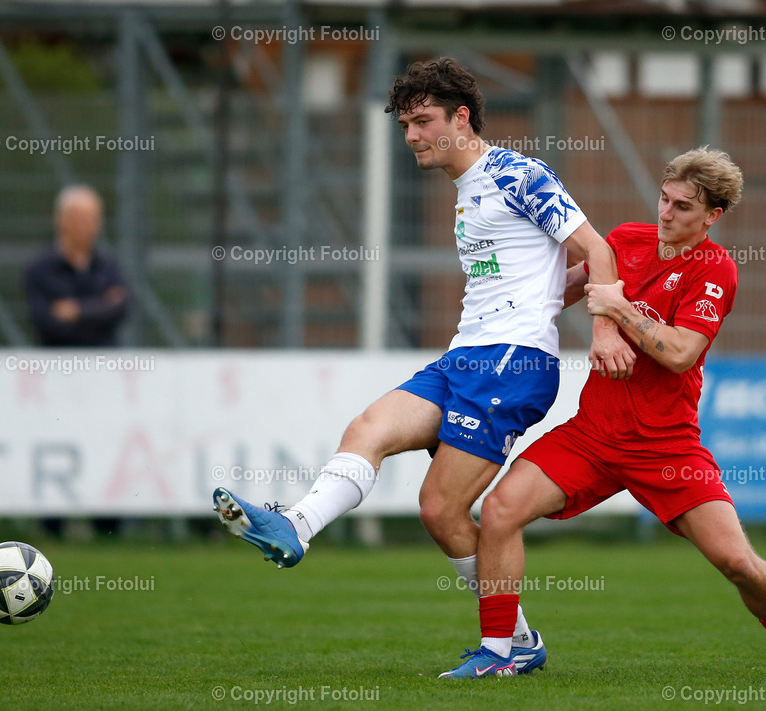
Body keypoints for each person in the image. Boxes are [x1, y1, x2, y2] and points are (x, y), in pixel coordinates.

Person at [213, 57, 635, 674]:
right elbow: (547, 278)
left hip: (513, 365)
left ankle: (509, 648)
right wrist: (550, 298)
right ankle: (296, 527)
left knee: (441, 508)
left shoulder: (516, 174)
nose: (411, 135)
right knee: (368, 430)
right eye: (405, 124)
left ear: (461, 118)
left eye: (422, 121)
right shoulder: (467, 190)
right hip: (464, 356)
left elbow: (597, 248)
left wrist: (603, 328)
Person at [441, 146, 766, 680]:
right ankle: (505, 652)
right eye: (664, 200)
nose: (666, 214)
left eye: (682, 207)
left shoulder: (715, 270)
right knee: (500, 511)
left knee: (737, 563)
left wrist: (617, 308)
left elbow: (679, 354)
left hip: (666, 447)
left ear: (712, 216)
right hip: (592, 438)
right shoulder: (625, 241)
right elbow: (555, 293)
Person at [26, 184, 130, 347]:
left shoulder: (108, 265)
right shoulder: (40, 268)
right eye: (79, 218)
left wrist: (76, 310)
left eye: (92, 219)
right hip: (58, 363)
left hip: (104, 363)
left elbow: (121, 309)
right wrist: (100, 307)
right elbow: (46, 322)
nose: (86, 226)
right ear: (61, 220)